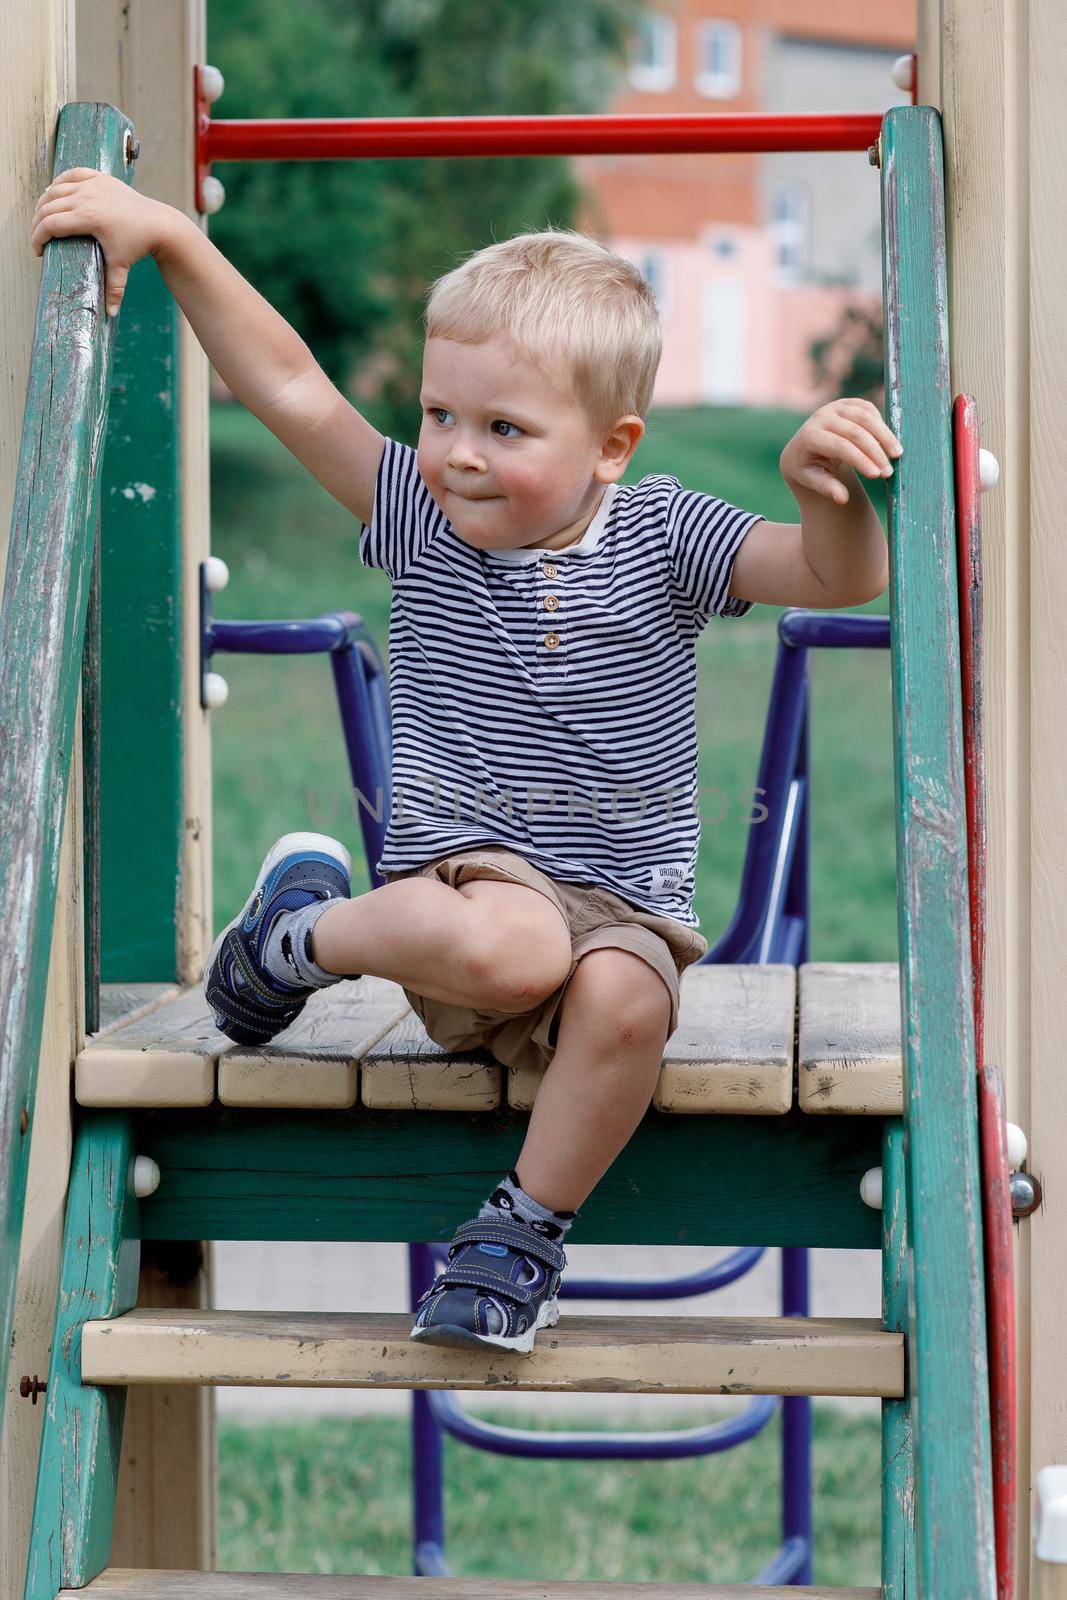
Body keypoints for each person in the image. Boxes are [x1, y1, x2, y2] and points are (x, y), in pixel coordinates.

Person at [31, 170, 899, 1354]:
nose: (456, 453)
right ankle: (295, 944)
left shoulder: (667, 535)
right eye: (440, 415)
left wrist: (821, 491)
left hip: (622, 905)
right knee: (518, 940)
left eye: (503, 428)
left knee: (627, 993)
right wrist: (175, 241)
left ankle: (520, 1232)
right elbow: (289, 385)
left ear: (611, 446)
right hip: (472, 889)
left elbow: (837, 575)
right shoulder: (418, 519)